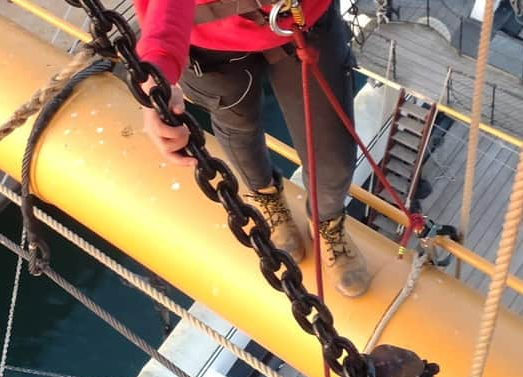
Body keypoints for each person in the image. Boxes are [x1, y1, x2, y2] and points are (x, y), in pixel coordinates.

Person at [133, 0, 372, 297]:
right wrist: (157, 70)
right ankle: (267, 198)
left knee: (332, 154)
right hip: (208, 36)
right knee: (238, 129)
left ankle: (327, 221)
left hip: (300, 19)